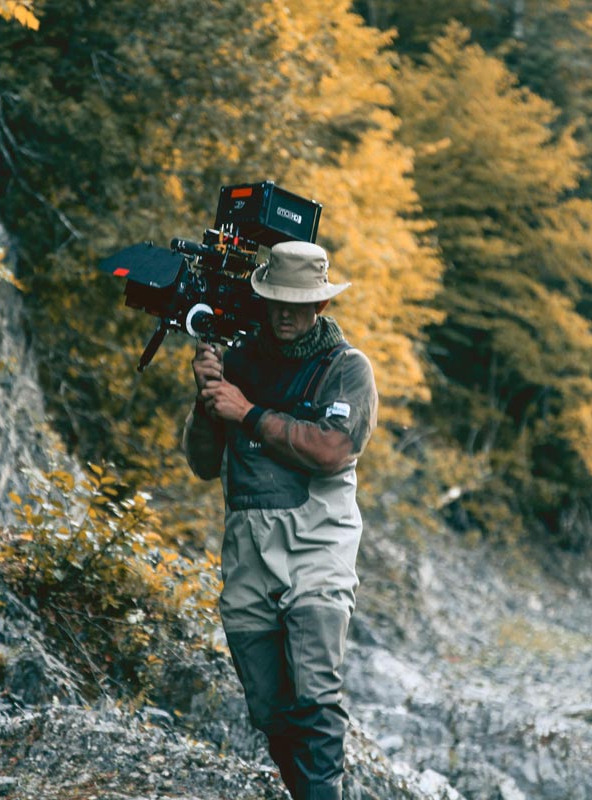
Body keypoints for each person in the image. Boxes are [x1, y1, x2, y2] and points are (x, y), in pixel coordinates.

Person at [182, 240, 378, 800]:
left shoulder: (346, 368)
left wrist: (247, 412)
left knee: (315, 694)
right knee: (269, 708)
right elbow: (201, 463)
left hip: (318, 544)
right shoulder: (240, 363)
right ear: (262, 300)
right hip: (248, 551)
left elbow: (331, 450)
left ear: (319, 305)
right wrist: (207, 401)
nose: (286, 312)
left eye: (298, 302)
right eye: (276, 300)